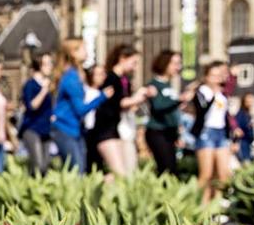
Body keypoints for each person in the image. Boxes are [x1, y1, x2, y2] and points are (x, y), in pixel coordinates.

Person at [51, 38, 113, 173]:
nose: (87, 51)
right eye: (83, 48)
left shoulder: (75, 75)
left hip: (73, 129)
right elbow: (80, 109)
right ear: (73, 53)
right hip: (65, 128)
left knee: (80, 169)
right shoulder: (71, 78)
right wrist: (102, 97)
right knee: (77, 171)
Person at [91, 44, 154, 176]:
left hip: (116, 130)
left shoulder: (123, 80)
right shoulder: (111, 78)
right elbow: (117, 103)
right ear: (122, 59)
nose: (135, 67)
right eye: (134, 62)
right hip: (105, 131)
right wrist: (137, 97)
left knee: (125, 172)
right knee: (119, 173)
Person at [146, 50, 195, 175]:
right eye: (175, 63)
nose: (178, 67)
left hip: (169, 133)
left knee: (172, 168)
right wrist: (180, 99)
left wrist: (177, 135)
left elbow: (172, 112)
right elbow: (159, 107)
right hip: (158, 132)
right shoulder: (154, 85)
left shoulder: (169, 86)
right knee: (167, 169)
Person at [191, 61, 234, 204]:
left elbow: (225, 116)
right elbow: (202, 110)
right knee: (206, 174)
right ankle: (200, 205)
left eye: (218, 75)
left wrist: (231, 135)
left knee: (222, 173)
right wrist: (213, 97)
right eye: (213, 75)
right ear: (206, 77)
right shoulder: (202, 92)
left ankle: (218, 205)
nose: (217, 78)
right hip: (206, 132)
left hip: (221, 133)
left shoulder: (223, 94)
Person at [19, 54, 55, 175]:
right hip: (32, 129)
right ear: (40, 66)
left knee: (45, 167)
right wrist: (44, 91)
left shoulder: (46, 84)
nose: (51, 66)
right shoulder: (30, 85)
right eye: (48, 63)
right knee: (38, 165)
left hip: (45, 129)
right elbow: (32, 106)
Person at [234, 93, 254, 162]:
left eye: (251, 101)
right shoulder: (241, 115)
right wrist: (235, 142)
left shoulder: (248, 115)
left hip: (248, 146)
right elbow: (237, 131)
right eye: (248, 101)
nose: (250, 103)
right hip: (242, 146)